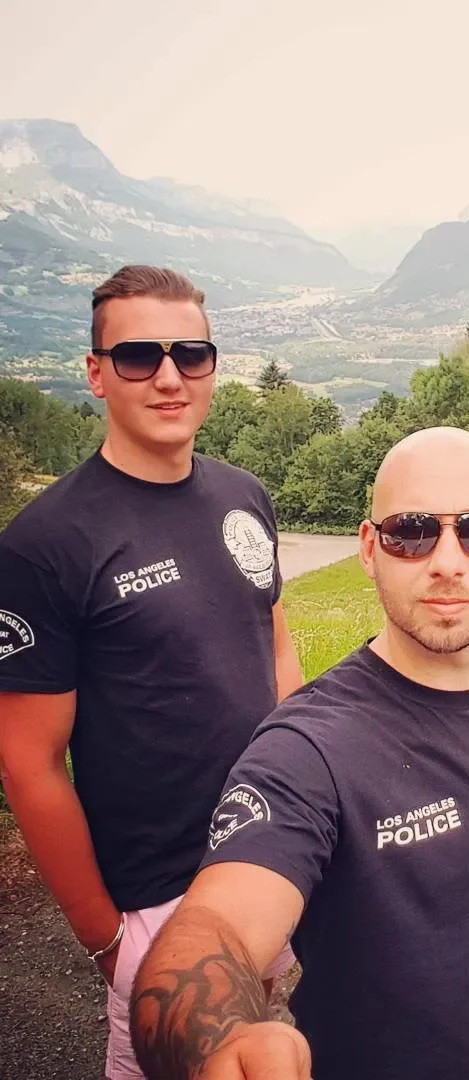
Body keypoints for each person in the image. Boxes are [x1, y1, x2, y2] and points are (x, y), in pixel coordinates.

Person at [128, 427, 469, 1080]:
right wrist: (216, 1040)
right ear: (369, 548)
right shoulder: (308, 750)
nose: (448, 561)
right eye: (411, 532)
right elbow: (217, 926)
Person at [0, 265, 303, 1080]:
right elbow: (29, 764)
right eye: (139, 356)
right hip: (159, 905)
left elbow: (275, 647)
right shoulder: (44, 545)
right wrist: (107, 938)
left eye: (190, 355)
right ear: (97, 373)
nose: (169, 377)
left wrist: (307, 808)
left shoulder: (245, 497)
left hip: (275, 863)